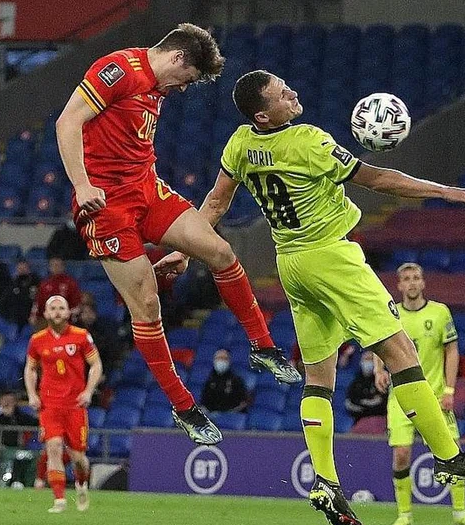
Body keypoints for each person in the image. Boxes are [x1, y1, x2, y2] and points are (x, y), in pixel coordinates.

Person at [155, 70, 465, 525]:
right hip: (332, 257)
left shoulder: (239, 144)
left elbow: (216, 205)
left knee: (318, 380)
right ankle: (448, 456)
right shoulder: (309, 142)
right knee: (401, 351)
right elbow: (376, 178)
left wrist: (183, 248)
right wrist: (443, 190)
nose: (293, 92)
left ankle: (325, 481)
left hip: (291, 265)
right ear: (265, 113)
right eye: (283, 93)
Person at [55, 22, 299, 445]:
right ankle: (184, 405)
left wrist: (182, 251)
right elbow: (68, 121)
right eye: (187, 79)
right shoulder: (117, 69)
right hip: (106, 204)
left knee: (219, 250)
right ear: (178, 59)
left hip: (146, 189)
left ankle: (262, 345)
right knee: (147, 302)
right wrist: (81, 183)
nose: (184, 88)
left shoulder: (157, 86)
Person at [377, 263, 465, 525]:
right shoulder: (391, 314)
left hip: (435, 396)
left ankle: (461, 513)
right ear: (399, 285)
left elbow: (451, 350)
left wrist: (449, 390)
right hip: (400, 396)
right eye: (406, 279)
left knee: (452, 451)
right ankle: (404, 514)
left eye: (416, 278)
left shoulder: (439, 313)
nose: (412, 283)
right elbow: (378, 344)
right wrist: (378, 370)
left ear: (423, 283)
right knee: (401, 454)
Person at [24, 295, 103, 513]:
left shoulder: (81, 336)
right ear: (46, 314)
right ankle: (59, 499)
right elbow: (30, 368)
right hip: (49, 405)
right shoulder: (37, 340)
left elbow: (95, 364)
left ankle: (81, 483)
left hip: (75, 404)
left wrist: (88, 391)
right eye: (53, 308)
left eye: (61, 308)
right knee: (54, 447)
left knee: (78, 458)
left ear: (68, 313)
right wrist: (32, 394)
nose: (57, 312)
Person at [0, 392, 40, 487]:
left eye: (10, 401)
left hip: (20, 449)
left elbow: (34, 422)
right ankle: (5, 482)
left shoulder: (20, 416)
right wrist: (4, 416)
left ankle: (28, 483)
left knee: (33, 457)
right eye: (5, 401)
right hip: (1, 449)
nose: (7, 404)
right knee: (9, 457)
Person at [31, 257, 82, 326]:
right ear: (49, 267)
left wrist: (67, 314)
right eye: (53, 265)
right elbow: (38, 303)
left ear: (63, 267)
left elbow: (76, 304)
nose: (56, 268)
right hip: (47, 319)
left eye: (58, 265)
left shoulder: (70, 283)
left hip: (66, 319)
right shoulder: (44, 284)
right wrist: (34, 315)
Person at [344, 351, 386, 424]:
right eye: (365, 359)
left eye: (370, 359)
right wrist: (368, 403)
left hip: (379, 421)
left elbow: (382, 405)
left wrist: (364, 404)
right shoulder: (357, 381)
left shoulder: (383, 379)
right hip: (359, 421)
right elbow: (350, 403)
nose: (367, 363)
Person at [201, 349, 249, 413]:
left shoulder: (236, 380)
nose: (221, 361)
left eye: (224, 358)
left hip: (231, 416)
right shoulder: (209, 380)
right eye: (219, 358)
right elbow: (204, 401)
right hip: (211, 415)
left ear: (229, 361)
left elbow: (242, 402)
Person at [7, 259, 39, 329]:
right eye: (19, 268)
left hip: (31, 316)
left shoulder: (36, 281)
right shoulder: (13, 283)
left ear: (28, 268)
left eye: (24, 268)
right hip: (16, 317)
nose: (22, 270)